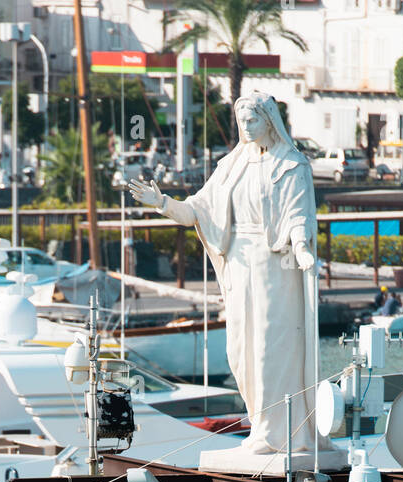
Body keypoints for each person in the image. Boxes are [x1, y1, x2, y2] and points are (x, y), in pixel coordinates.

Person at [129, 93, 319, 458]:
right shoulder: (231, 166)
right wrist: (162, 203)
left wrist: (302, 250)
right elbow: (195, 212)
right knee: (239, 351)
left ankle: (277, 433)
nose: (246, 128)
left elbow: (299, 217)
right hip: (238, 267)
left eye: (253, 120)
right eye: (241, 121)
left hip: (274, 268)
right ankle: (260, 424)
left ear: (269, 120)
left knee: (270, 350)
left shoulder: (293, 165)